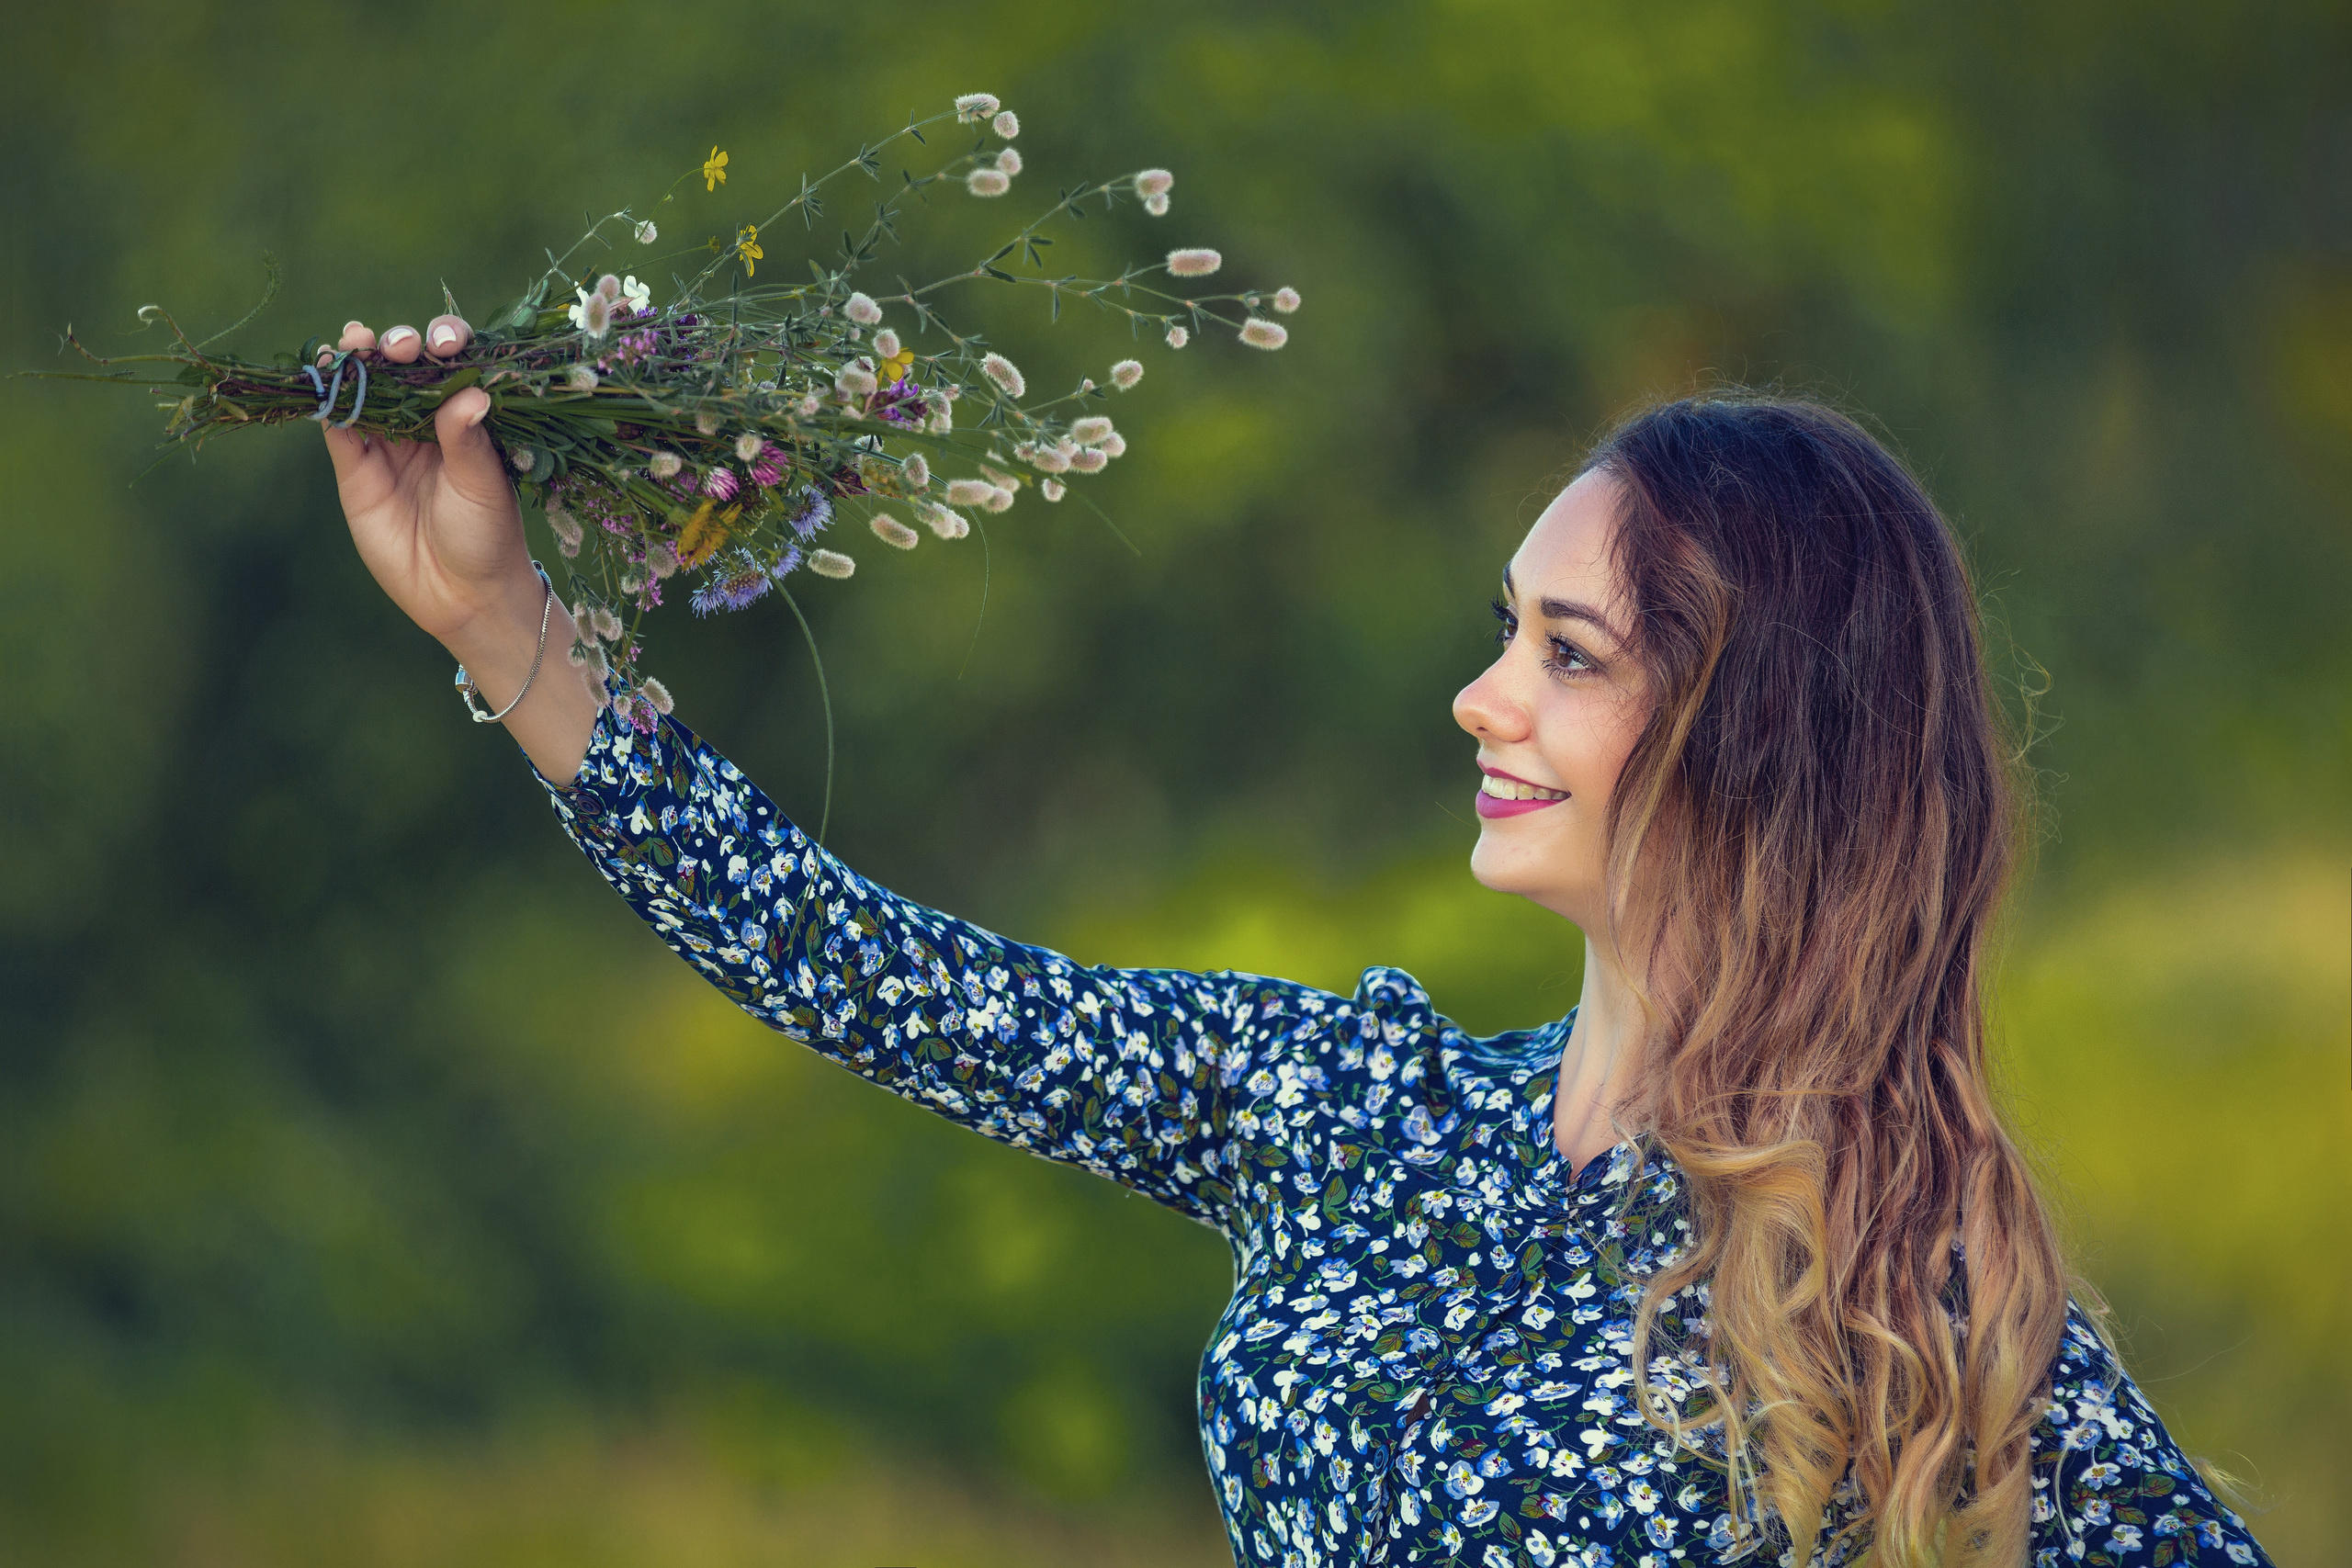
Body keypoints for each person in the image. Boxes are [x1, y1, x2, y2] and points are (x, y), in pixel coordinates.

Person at [322, 315, 2274, 1568]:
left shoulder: (1894, 1274)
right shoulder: (1356, 1101)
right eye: (1505, 625)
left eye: (1564, 653)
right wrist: (509, 633)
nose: (1477, 698)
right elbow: (875, 976)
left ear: (1753, 732)